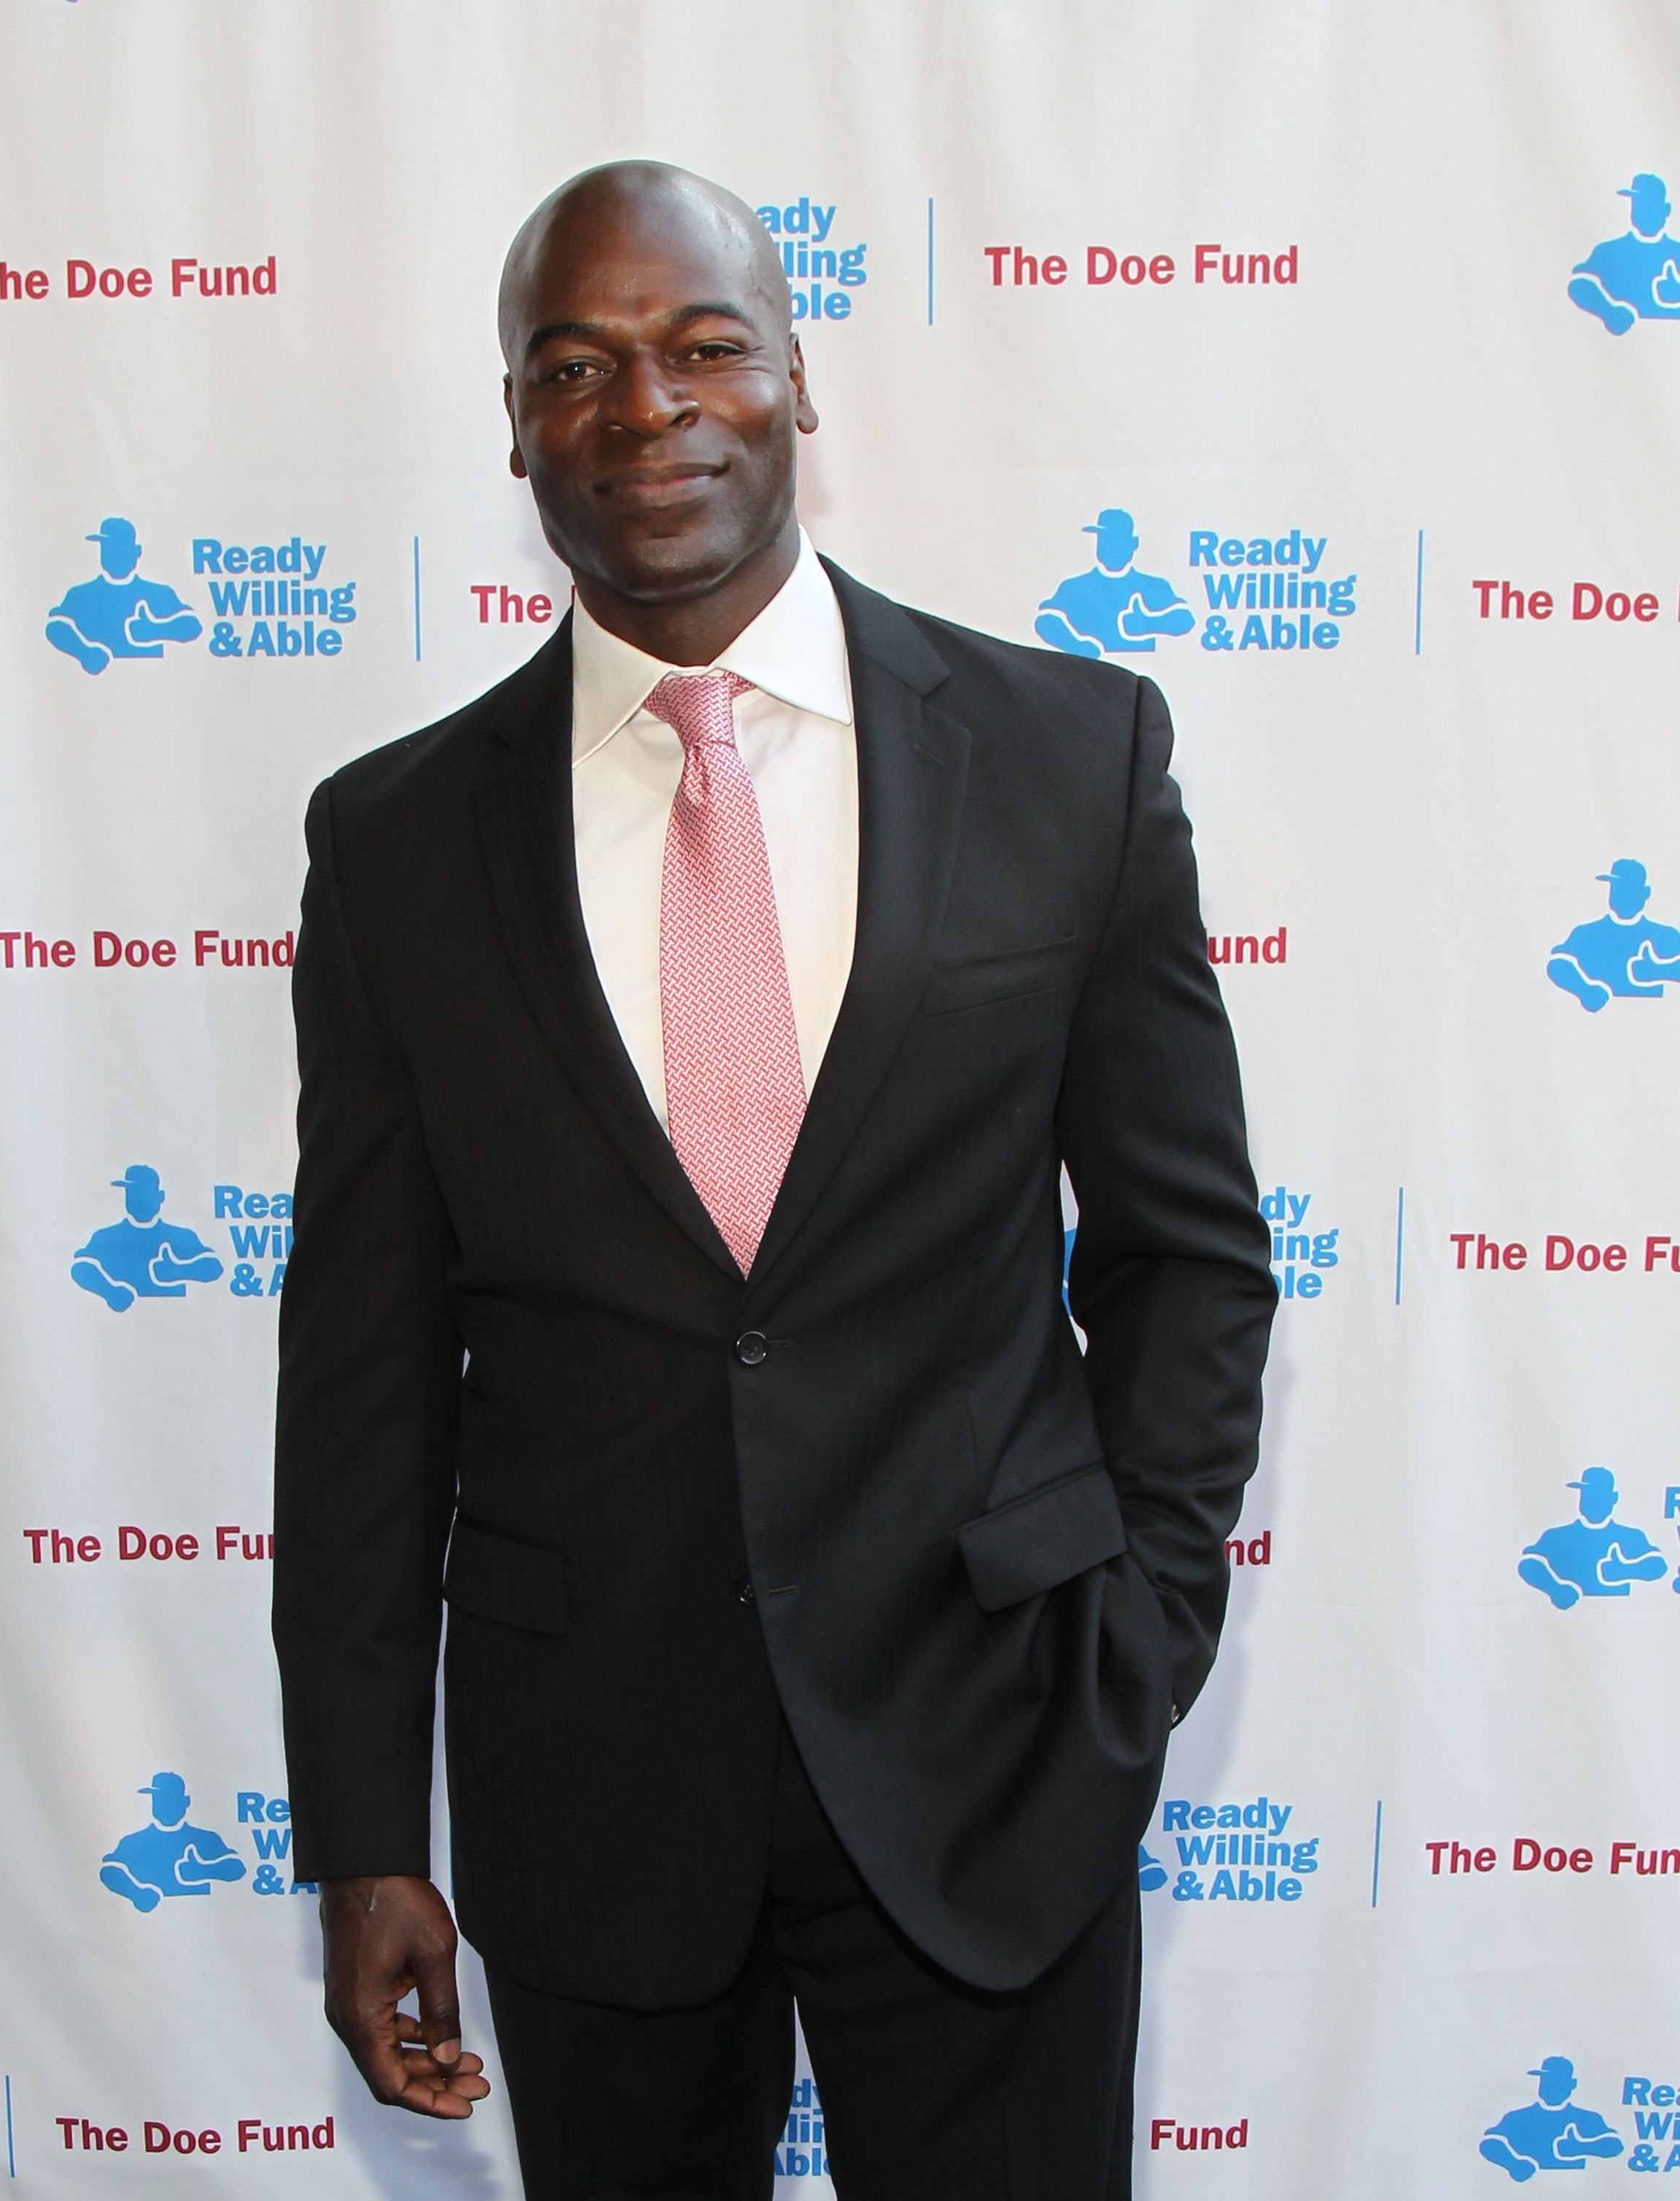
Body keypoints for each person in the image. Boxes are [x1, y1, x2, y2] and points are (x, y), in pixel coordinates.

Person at [272, 159, 1274, 2199]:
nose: (647, 409)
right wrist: (367, 1832)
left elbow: (1185, 1258)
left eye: (703, 345)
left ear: (798, 380)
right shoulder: (393, 846)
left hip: (999, 1754)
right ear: (516, 427)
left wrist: (1134, 1643)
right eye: (576, 366)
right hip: (593, 1790)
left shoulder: (1067, 754)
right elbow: (360, 1377)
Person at [45, 517, 202, 674]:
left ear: (137, 552)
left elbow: (192, 625)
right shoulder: (80, 594)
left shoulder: (157, 593)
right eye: (107, 548)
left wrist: (156, 629)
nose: (112, 553)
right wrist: (84, 651)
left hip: (153, 685)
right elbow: (56, 625)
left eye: (118, 548)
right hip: (92, 691)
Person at [1034, 509, 1194, 660]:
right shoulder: (1074, 587)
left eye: (1116, 539)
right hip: (1085, 678)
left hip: (1139, 680)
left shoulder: (1153, 585)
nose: (1109, 545)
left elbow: (1185, 618)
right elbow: (1046, 619)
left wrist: (1148, 622)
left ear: (1134, 543)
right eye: (1104, 538)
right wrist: (1077, 646)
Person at [71, 1165, 224, 1312]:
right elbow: (81, 1266)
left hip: (177, 1325)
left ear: (160, 1197)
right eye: (131, 1192)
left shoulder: (180, 1236)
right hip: (117, 1331)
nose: (136, 1198)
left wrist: (179, 1270)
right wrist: (110, 1291)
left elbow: (213, 1266)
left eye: (143, 1192)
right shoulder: (106, 1237)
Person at [1517, 1466, 1667, 1607]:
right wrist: (1555, 1588)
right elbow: (1529, 1563)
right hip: (1562, 1628)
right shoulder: (1557, 1536)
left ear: (1614, 1498)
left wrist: (1626, 1570)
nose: (1592, 1500)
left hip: (1623, 1624)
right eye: (1587, 1494)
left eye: (1598, 1494)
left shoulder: (1630, 1536)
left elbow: (1658, 1565)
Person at [99, 1772, 247, 1911]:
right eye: (158, 1799)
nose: (163, 1804)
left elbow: (237, 1867)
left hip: (203, 1923)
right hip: (147, 1930)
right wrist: (137, 1893)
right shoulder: (133, 1842)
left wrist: (204, 1870)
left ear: (186, 1802)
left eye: (169, 1799)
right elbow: (109, 1870)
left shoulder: (205, 1839)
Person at [1546, 858, 1680, 1011]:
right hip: (1591, 1029)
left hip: (1653, 1027)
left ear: (1645, 893)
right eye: (1617, 888)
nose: (1622, 895)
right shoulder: (1587, 933)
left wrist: (1659, 971)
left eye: (1629, 889)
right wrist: (1585, 990)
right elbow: (1558, 964)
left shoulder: (1665, 935)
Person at [1568, 175, 1680, 335]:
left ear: (1666, 209)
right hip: (1615, 354)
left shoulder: (1677, 252)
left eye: (1650, 204)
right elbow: (1579, 283)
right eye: (1638, 204)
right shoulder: (1610, 251)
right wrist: (1608, 311)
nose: (1643, 211)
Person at [1480, 2058, 1623, 2180]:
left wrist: (1582, 2147)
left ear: (1572, 2084)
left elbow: (1615, 2145)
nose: (1550, 2086)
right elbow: (1490, 2142)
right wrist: (1513, 2163)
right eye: (1546, 2080)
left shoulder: (1587, 2118)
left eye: (1557, 2080)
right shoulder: (1518, 2118)